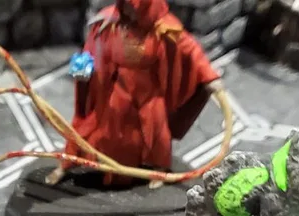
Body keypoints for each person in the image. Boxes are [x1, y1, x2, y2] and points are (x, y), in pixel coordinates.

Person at [47, 0, 223, 185]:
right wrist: (84, 69)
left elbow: (192, 51)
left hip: (149, 93)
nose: (129, 11)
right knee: (93, 126)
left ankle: (160, 172)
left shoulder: (163, 28)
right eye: (125, 5)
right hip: (118, 88)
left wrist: (210, 77)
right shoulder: (110, 21)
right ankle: (66, 164)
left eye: (133, 7)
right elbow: (93, 48)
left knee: (157, 133)